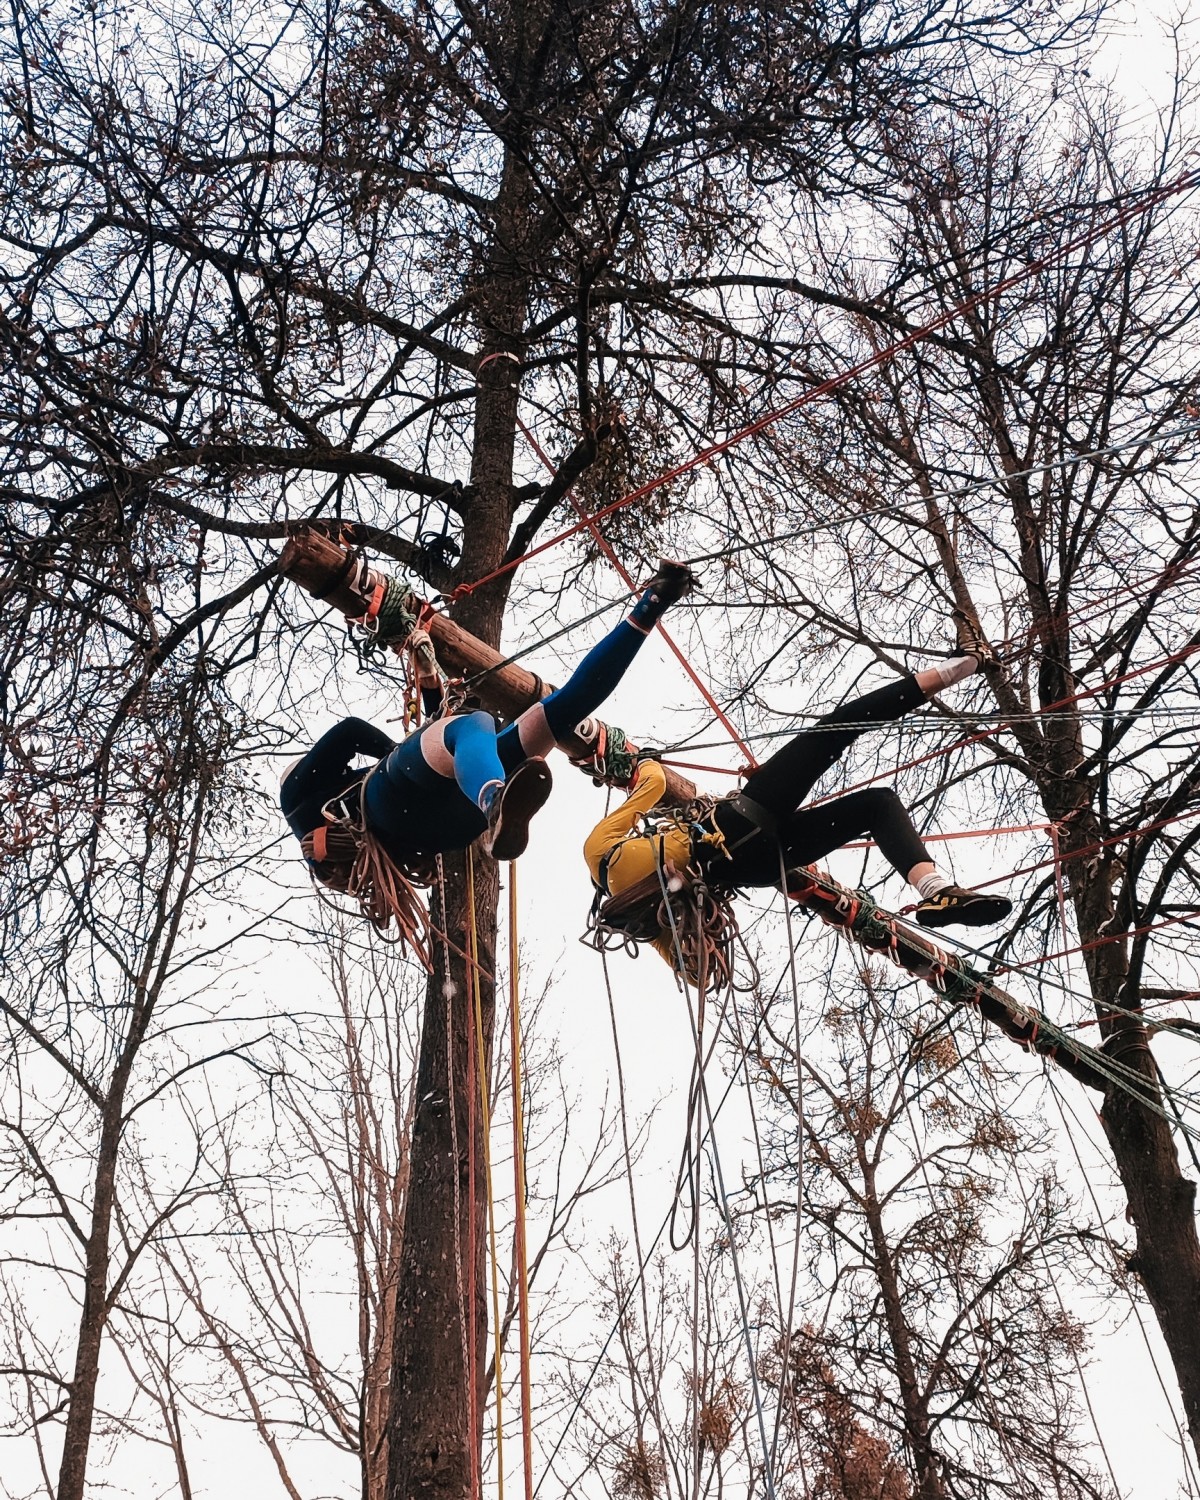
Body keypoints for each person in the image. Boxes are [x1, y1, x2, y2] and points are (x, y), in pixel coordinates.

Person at [280, 560, 695, 902]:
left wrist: (427, 745)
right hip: (392, 802)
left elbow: (433, 747)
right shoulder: (295, 793)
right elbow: (348, 733)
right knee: (473, 724)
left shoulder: (322, 820)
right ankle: (495, 798)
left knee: (560, 712)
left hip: (447, 827)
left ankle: (651, 606)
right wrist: (400, 750)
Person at [583, 651, 1013, 969]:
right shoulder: (598, 852)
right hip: (733, 825)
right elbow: (655, 782)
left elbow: (702, 974)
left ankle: (938, 894)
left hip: (761, 866)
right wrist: (644, 763)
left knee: (874, 805)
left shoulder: (651, 920)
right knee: (836, 731)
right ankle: (958, 668)